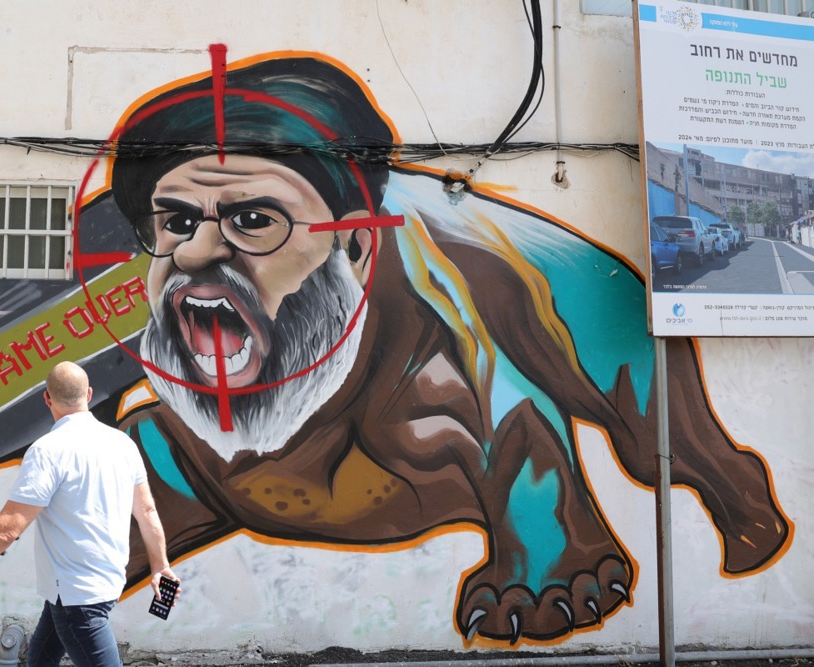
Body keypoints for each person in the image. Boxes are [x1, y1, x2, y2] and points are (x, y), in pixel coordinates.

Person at [97, 52, 788, 644]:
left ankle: (736, 489)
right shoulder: (176, 413)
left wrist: (549, 547)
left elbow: (512, 423)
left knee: (653, 424)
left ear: (358, 247)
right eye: (177, 221)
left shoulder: (428, 365)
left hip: (486, 277)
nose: (196, 252)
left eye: (254, 220)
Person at [0, 361, 177, 667]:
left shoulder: (48, 450)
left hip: (79, 599)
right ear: (89, 394)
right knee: (40, 659)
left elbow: (6, 532)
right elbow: (146, 510)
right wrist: (160, 566)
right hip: (94, 588)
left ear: (47, 398)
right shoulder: (123, 444)